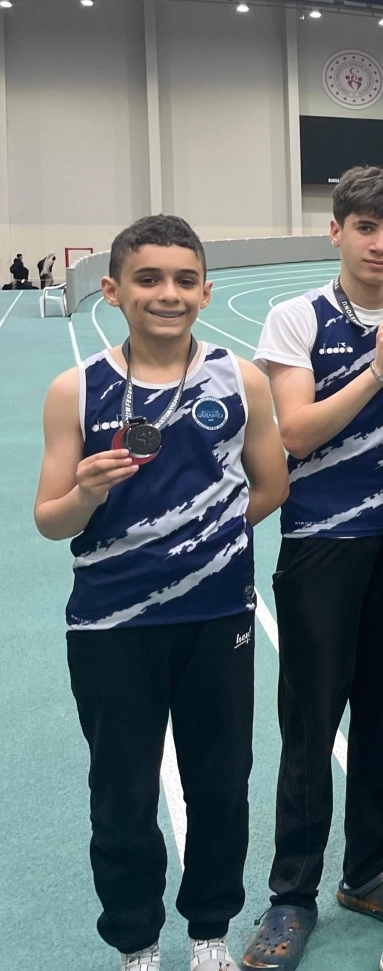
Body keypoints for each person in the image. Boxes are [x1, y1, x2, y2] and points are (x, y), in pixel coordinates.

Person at [33, 215, 288, 971]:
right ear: (113, 291)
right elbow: (50, 520)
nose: (167, 294)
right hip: (111, 625)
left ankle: (209, 929)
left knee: (221, 785)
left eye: (184, 280)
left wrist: (198, 546)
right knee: (121, 795)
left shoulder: (241, 379)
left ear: (206, 292)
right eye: (148, 279)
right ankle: (136, 940)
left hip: (217, 617)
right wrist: (85, 492)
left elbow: (271, 485)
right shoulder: (76, 390)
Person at [241, 168, 383, 969]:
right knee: (311, 723)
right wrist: (378, 370)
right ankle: (291, 894)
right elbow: (297, 431)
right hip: (324, 542)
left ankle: (369, 869)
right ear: (336, 231)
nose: (380, 244)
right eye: (365, 228)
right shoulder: (298, 317)